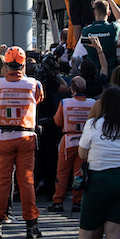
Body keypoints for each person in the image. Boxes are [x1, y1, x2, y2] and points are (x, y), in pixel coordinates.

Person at [75, 85, 120, 239]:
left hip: (99, 180)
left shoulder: (93, 124)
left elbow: (82, 154)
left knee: (87, 233)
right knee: (114, 230)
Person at [0, 47, 44, 239]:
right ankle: (31, 226)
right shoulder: (34, 84)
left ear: (5, 65)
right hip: (26, 136)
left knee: (2, 182)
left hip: (3, 136)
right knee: (26, 182)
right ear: (24, 64)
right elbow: (38, 99)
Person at [49, 76, 95, 214]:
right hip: (85, 141)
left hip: (68, 138)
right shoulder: (92, 103)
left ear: (72, 89)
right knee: (79, 172)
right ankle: (77, 201)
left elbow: (57, 121)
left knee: (62, 171)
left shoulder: (65, 103)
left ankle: (58, 201)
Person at [79, 0, 120, 77]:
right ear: (109, 13)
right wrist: (110, 0)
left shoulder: (85, 31)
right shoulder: (113, 28)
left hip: (92, 75)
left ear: (94, 13)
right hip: (111, 74)